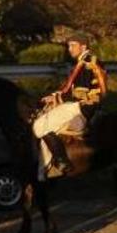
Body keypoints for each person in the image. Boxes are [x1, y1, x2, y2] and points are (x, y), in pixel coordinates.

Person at [32, 32, 107, 174]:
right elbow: (69, 89)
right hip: (76, 105)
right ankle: (47, 167)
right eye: (68, 46)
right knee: (42, 117)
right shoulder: (82, 62)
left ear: (83, 46)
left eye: (73, 45)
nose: (70, 49)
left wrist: (59, 99)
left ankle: (61, 161)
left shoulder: (90, 63)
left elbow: (90, 92)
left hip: (82, 108)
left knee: (38, 125)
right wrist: (54, 96)